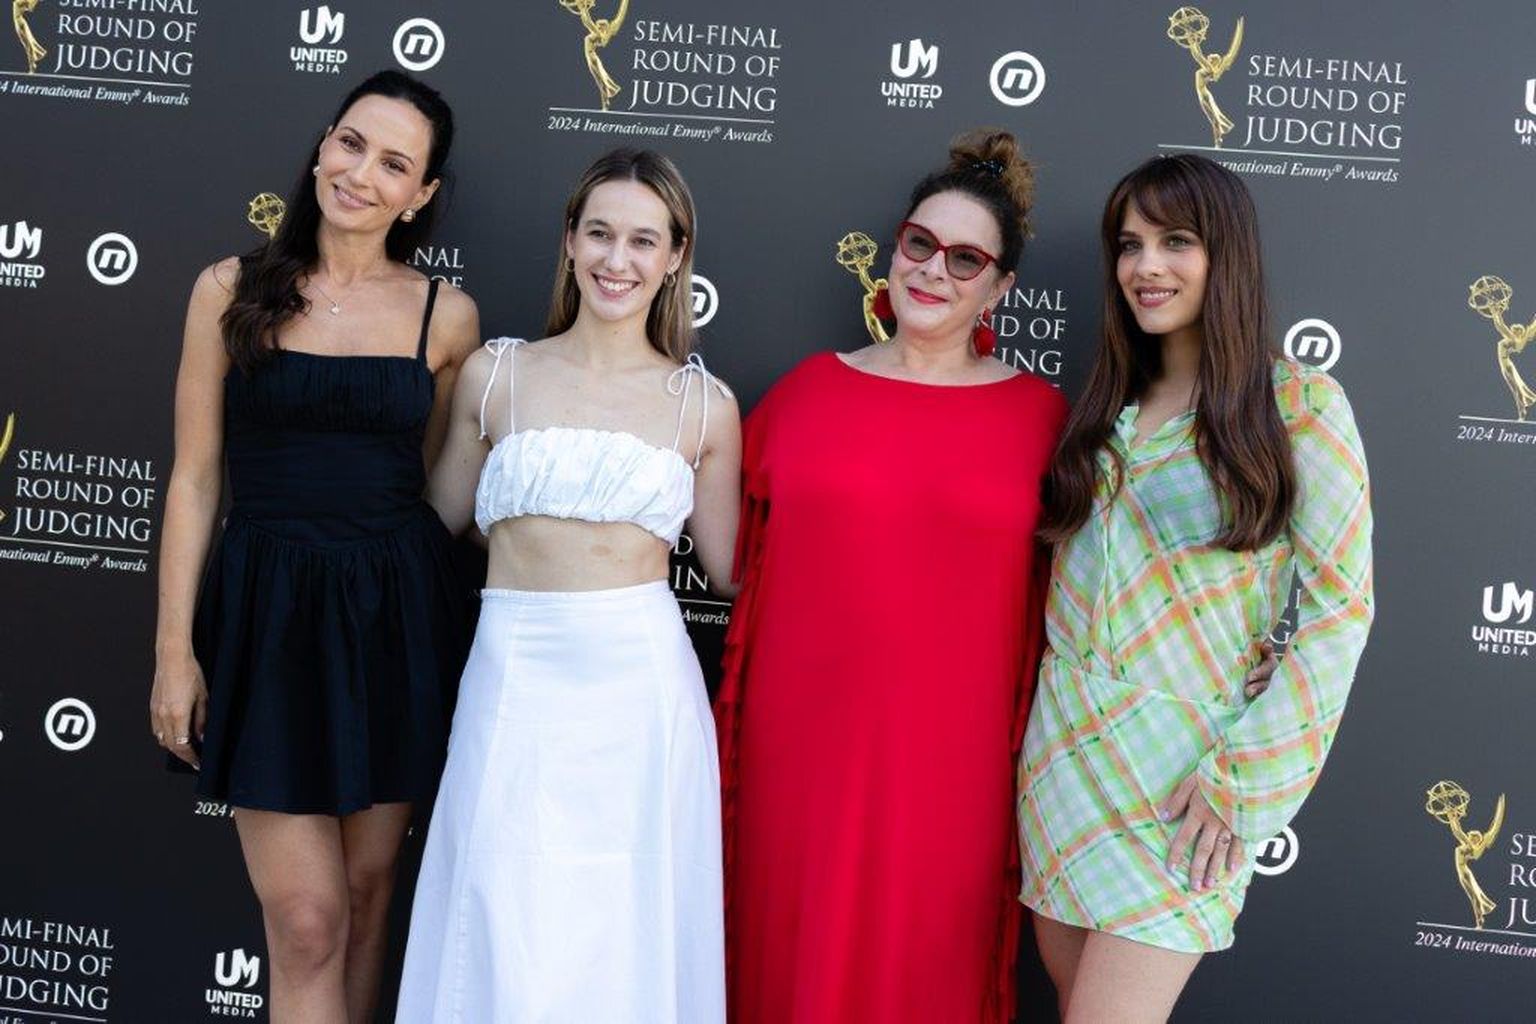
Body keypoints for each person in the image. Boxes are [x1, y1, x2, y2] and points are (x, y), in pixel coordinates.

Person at [148, 70, 479, 1023]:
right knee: (306, 920)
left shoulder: (446, 316)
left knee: (368, 903)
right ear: (322, 146)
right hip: (268, 618)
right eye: (352, 143)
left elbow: (434, 486)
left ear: (420, 195)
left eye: (394, 164)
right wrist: (174, 653)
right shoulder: (228, 289)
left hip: (394, 620)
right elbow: (195, 479)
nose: (361, 174)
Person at [714, 129, 1067, 1023]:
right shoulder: (803, 395)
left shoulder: (1042, 421)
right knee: (789, 962)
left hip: (956, 764)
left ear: (1000, 286)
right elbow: (733, 568)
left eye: (965, 258)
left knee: (927, 970)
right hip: (800, 754)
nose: (933, 270)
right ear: (895, 246)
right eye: (920, 243)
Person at [1019, 153, 1374, 1022]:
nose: (1146, 266)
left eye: (1176, 241)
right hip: (1065, 759)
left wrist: (1244, 783)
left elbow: (1340, 612)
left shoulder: (1298, 404)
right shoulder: (1108, 407)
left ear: (1226, 254)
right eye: (1129, 244)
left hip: (1189, 779)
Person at [396, 147, 739, 1023]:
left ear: (675, 256)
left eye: (643, 240)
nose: (617, 260)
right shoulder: (497, 375)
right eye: (600, 234)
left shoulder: (705, 406)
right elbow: (435, 526)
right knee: (499, 907)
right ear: (570, 240)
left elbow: (737, 571)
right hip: (511, 675)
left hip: (641, 696)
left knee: (624, 922)